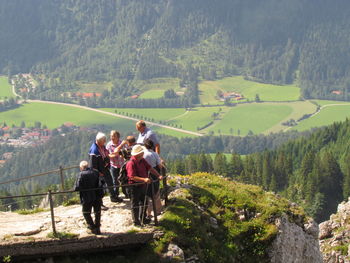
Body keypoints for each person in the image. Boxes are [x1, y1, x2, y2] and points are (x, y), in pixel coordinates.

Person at [126, 144, 162, 226]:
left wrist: (158, 175)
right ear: (138, 154)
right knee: (135, 204)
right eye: (142, 153)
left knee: (144, 202)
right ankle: (136, 221)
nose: (143, 154)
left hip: (142, 185)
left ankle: (143, 218)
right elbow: (132, 177)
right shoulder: (131, 163)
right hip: (134, 186)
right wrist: (144, 179)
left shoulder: (142, 160)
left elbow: (150, 168)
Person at [88, 132, 119, 206]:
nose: (105, 142)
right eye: (103, 141)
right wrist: (98, 173)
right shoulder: (94, 151)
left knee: (110, 182)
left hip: (105, 168)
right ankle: (100, 203)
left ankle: (113, 197)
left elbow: (105, 154)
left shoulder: (101, 146)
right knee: (100, 187)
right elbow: (93, 165)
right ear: (99, 141)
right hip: (99, 172)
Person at [74, 160, 103, 235]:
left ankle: (92, 227)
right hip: (97, 196)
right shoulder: (95, 172)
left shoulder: (81, 174)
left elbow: (77, 187)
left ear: (81, 167)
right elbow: (101, 182)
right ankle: (98, 227)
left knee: (86, 213)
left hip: (86, 197)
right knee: (97, 212)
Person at [143, 139, 164, 218]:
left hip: (144, 175)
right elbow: (159, 166)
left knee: (146, 194)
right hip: (154, 175)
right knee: (156, 193)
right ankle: (158, 211)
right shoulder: (155, 154)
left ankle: (148, 213)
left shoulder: (142, 154)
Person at [106, 130, 124, 203]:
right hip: (114, 165)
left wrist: (121, 154)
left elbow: (126, 152)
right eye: (111, 136)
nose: (112, 137)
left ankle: (126, 192)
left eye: (113, 136)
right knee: (115, 181)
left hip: (122, 165)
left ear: (118, 137)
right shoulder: (109, 145)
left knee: (124, 179)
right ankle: (115, 194)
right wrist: (113, 155)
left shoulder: (122, 143)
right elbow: (107, 155)